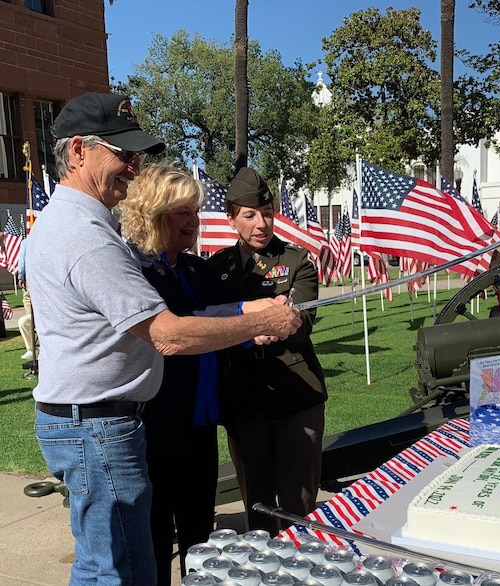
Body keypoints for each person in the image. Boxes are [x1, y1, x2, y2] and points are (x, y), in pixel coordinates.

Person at [25, 92, 302, 586]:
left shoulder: (83, 225)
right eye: (123, 153)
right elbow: (169, 334)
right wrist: (263, 323)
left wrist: (243, 309)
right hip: (99, 427)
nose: (134, 167)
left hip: (101, 421)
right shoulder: (85, 235)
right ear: (77, 152)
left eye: (137, 155)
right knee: (125, 571)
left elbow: (178, 314)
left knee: (103, 565)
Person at [118, 163, 277, 585]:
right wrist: (247, 319)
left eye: (196, 211)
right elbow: (176, 328)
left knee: (198, 537)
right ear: (152, 214)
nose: (193, 221)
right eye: (182, 212)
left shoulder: (194, 269)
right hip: (154, 421)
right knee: (153, 538)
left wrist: (251, 330)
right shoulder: (133, 271)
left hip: (199, 419)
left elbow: (214, 320)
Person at [208, 167, 328, 534]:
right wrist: (257, 322)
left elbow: (301, 322)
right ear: (231, 218)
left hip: (296, 396)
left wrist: (274, 323)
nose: (261, 224)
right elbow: (209, 325)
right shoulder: (217, 270)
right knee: (257, 505)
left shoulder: (296, 262)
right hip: (244, 399)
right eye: (249, 215)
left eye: (268, 214)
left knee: (300, 504)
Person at [16, 238, 36, 361]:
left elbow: (22, 260)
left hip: (31, 277)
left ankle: (31, 348)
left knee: (28, 302)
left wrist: (21, 275)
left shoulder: (27, 242)